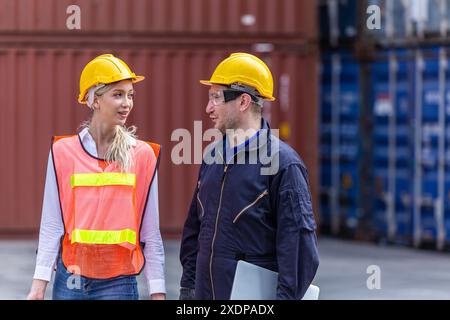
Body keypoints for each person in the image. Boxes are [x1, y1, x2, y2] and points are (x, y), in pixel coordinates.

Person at [179, 53, 319, 300]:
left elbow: (298, 251)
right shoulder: (213, 156)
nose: (208, 108)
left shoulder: (284, 165)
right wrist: (188, 288)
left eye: (216, 98)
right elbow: (194, 230)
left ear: (243, 101)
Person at [27, 54, 166, 300]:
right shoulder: (63, 151)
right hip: (70, 278)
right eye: (118, 94)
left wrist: (158, 292)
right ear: (94, 100)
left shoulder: (142, 155)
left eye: (130, 95)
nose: (127, 103)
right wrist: (38, 286)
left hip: (119, 283)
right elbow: (52, 225)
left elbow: (150, 232)